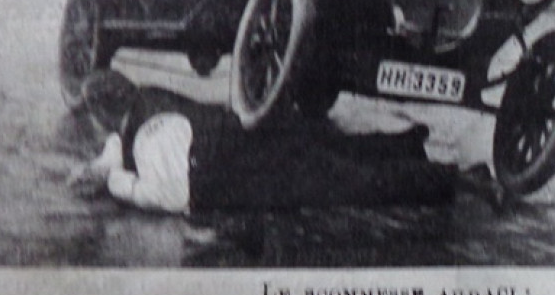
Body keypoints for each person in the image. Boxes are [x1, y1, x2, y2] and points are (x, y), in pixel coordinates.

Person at [69, 72, 498, 214]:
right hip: (254, 133)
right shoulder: (146, 97)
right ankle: (406, 144)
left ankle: (461, 180)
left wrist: (116, 184)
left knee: (356, 185)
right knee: (337, 152)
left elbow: (174, 193)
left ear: (105, 112)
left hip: (245, 174)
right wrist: (105, 163)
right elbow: (116, 142)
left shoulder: (147, 141)